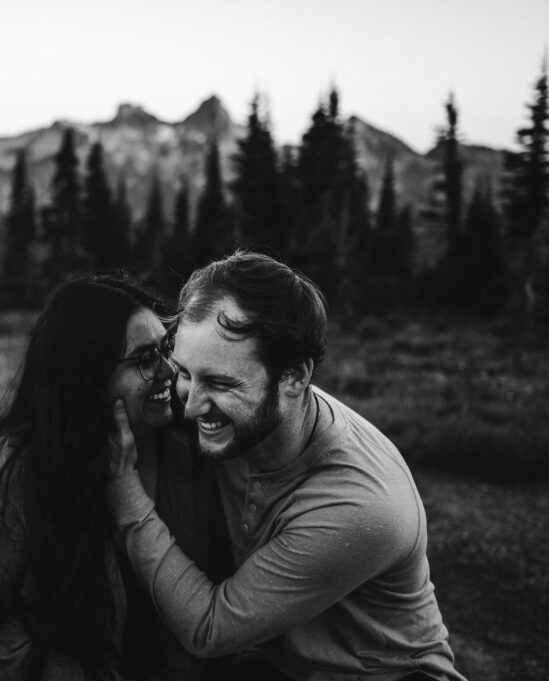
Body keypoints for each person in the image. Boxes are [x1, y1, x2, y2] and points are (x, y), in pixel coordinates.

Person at [108, 251, 466, 681]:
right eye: (185, 372)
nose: (193, 403)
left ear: (294, 377)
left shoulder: (359, 504)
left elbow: (210, 628)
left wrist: (127, 495)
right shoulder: (238, 419)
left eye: (221, 383)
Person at [0, 274, 200, 681]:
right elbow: (0, 636)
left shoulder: (183, 445)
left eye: (166, 347)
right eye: (145, 359)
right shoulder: (2, 477)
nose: (168, 370)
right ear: (88, 376)